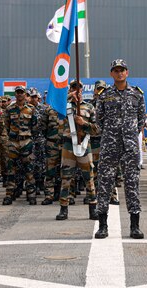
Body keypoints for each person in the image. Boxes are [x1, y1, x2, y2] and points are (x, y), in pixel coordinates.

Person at [94, 59, 146, 240]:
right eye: (116, 70)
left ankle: (135, 226)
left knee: (132, 184)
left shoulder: (137, 94)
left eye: (122, 70)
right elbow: (98, 119)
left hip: (130, 146)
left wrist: (130, 134)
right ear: (111, 74)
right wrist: (110, 134)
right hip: (110, 145)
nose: (119, 73)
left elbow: (140, 120)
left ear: (127, 72)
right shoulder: (104, 95)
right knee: (105, 183)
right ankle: (102, 225)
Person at [56, 81, 99, 221]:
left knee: (89, 178)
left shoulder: (89, 107)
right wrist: (69, 97)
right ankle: (63, 209)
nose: (76, 90)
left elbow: (97, 128)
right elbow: (53, 109)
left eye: (79, 87)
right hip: (68, 146)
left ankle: (93, 207)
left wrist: (84, 123)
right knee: (66, 178)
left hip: (85, 145)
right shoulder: (64, 106)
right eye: (74, 87)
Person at [3, 86, 38, 205]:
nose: (19, 95)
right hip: (13, 142)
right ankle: (9, 195)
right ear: (15, 94)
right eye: (17, 92)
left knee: (29, 169)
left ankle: (31, 194)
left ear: (25, 94)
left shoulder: (31, 108)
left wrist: (28, 137)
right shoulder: (9, 109)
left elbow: (34, 126)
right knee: (11, 170)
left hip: (26, 142)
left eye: (21, 92)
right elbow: (6, 125)